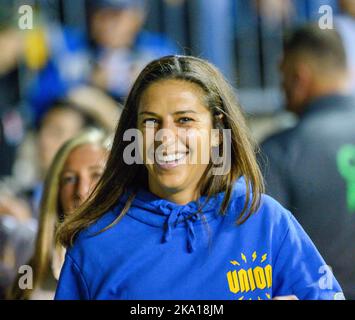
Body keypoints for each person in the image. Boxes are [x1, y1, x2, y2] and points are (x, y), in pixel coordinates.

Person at [55, 55, 343, 300]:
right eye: (151, 122)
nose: (166, 137)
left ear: (218, 132)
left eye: (184, 120)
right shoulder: (95, 244)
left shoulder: (266, 221)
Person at [260, 24, 355, 299]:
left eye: (283, 75)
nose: (282, 87)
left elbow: (264, 246)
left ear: (299, 77)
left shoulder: (279, 150)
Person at [8, 129, 111, 300]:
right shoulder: (30, 262)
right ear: (56, 192)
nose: (82, 190)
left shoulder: (135, 261)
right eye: (69, 179)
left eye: (96, 175)